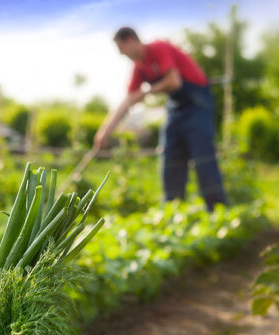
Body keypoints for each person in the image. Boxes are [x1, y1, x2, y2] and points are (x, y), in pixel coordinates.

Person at [94, 26, 227, 210]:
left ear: (131, 40)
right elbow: (128, 100)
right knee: (170, 157)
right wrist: (105, 131)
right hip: (176, 107)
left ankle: (218, 212)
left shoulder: (158, 48)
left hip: (198, 103)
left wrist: (147, 91)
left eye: (121, 48)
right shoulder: (139, 68)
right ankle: (173, 213)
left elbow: (174, 81)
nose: (121, 54)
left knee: (202, 158)